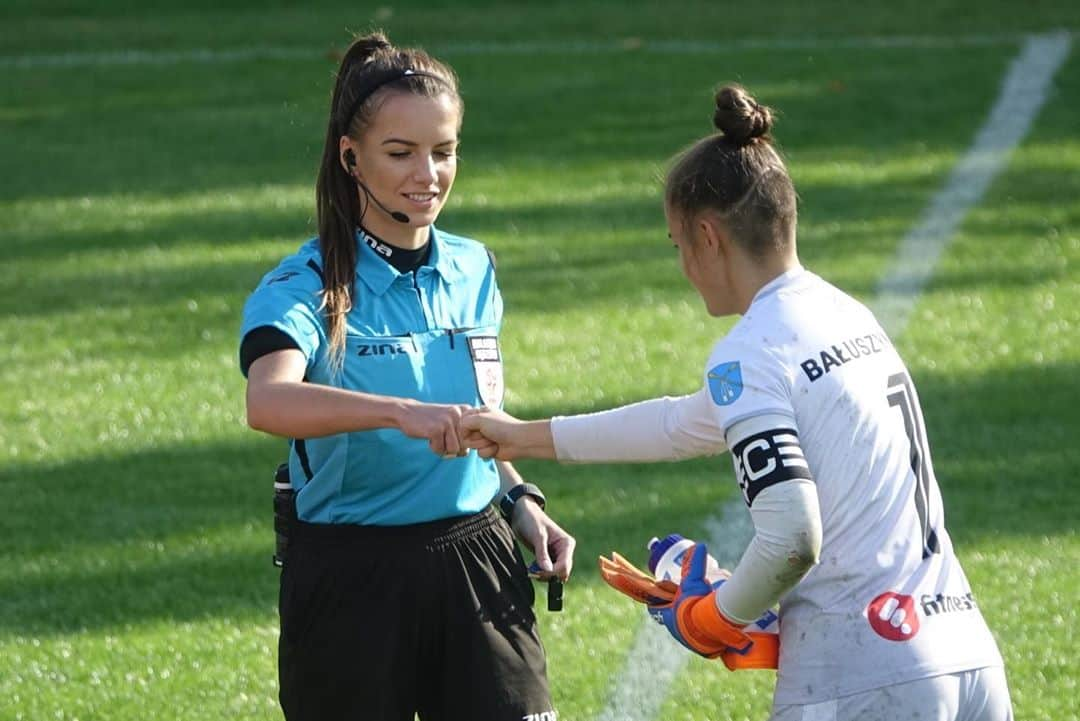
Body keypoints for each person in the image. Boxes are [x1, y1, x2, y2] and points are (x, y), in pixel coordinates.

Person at [463, 85, 1012, 721]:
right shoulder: (843, 314)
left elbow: (791, 537)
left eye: (677, 246)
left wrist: (716, 619)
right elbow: (678, 424)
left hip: (861, 679)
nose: (683, 267)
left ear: (708, 235)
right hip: (966, 656)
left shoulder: (751, 350)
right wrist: (521, 436)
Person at [239, 31, 574, 721]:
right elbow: (268, 400)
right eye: (401, 153)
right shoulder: (305, 285)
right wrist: (397, 411)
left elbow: (479, 417)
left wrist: (519, 500)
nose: (428, 174)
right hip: (351, 580)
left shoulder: (474, 267)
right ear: (350, 156)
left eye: (444, 151)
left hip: (478, 559)